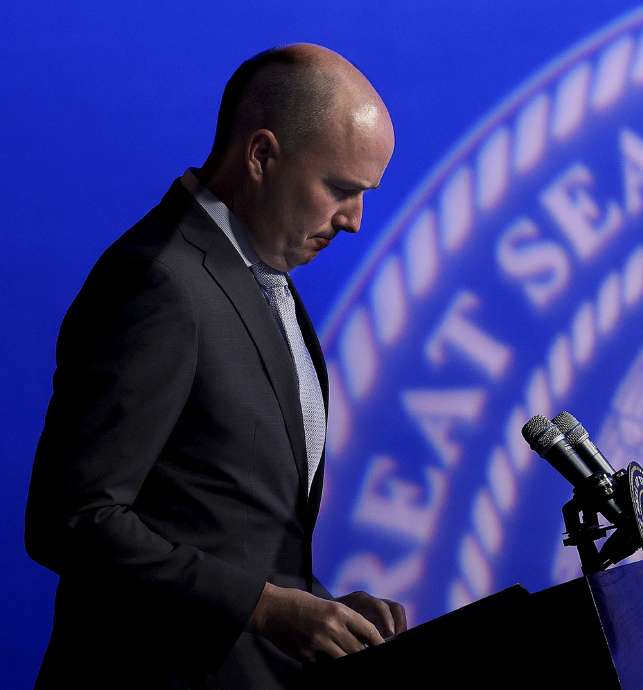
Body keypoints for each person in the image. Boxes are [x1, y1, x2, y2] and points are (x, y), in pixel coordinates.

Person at [25, 44, 405, 688]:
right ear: (261, 156)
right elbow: (72, 521)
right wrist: (262, 606)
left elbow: (225, 524)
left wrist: (313, 603)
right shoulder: (158, 282)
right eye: (340, 190)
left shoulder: (259, 273)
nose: (355, 222)